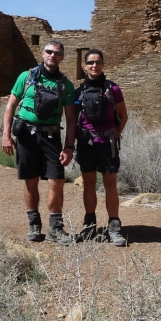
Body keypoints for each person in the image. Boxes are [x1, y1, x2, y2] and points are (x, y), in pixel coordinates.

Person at [2, 40, 77, 245]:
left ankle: (55, 227)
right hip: (26, 135)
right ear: (42, 53)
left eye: (57, 53)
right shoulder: (26, 77)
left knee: (57, 181)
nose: (52, 55)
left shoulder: (65, 85)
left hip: (51, 137)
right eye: (49, 51)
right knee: (31, 180)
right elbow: (10, 105)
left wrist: (69, 147)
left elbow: (71, 118)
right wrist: (6, 135)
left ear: (62, 57)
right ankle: (34, 224)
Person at [65, 49, 129, 246]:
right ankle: (89, 225)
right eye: (91, 63)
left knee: (110, 185)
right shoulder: (79, 92)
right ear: (84, 66)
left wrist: (116, 133)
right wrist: (71, 143)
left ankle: (114, 227)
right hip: (86, 144)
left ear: (103, 65)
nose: (95, 66)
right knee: (89, 185)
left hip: (107, 144)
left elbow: (123, 115)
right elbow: (73, 119)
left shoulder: (113, 89)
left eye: (98, 62)